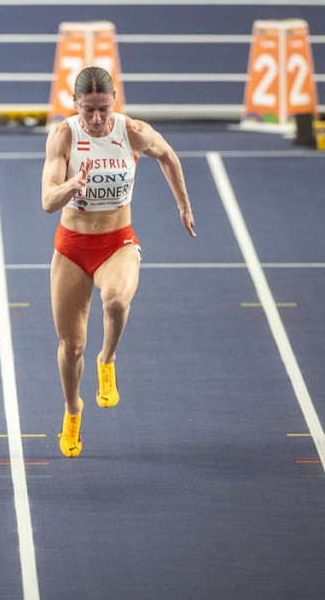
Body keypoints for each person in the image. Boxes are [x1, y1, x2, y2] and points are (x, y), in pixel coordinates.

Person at [41, 66, 196, 458]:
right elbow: (46, 202)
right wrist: (71, 186)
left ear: (115, 103)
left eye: (104, 109)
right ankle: (73, 410)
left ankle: (107, 360)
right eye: (88, 110)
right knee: (70, 347)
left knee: (114, 301)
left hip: (117, 241)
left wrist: (183, 204)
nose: (96, 119)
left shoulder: (133, 132)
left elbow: (169, 156)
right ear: (74, 105)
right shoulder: (63, 135)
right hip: (72, 247)